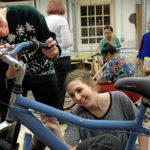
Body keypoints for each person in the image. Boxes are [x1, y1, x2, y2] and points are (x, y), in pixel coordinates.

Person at [0, 5, 61, 149]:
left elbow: (52, 43)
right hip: (10, 74)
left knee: (50, 122)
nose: (2, 32)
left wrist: (53, 50)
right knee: (8, 120)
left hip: (40, 69)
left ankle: (38, 145)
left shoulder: (27, 14)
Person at [44, 69, 148, 150]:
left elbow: (140, 128)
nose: (77, 98)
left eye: (79, 90)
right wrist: (56, 131)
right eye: (72, 95)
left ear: (91, 85)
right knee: (109, 141)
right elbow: (69, 147)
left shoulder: (119, 98)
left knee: (111, 142)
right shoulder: (76, 114)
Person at [45, 0, 72, 110]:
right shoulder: (61, 20)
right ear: (61, 7)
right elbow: (66, 43)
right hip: (62, 58)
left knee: (50, 86)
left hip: (47, 58)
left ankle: (50, 113)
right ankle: (59, 114)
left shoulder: (44, 20)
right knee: (61, 87)